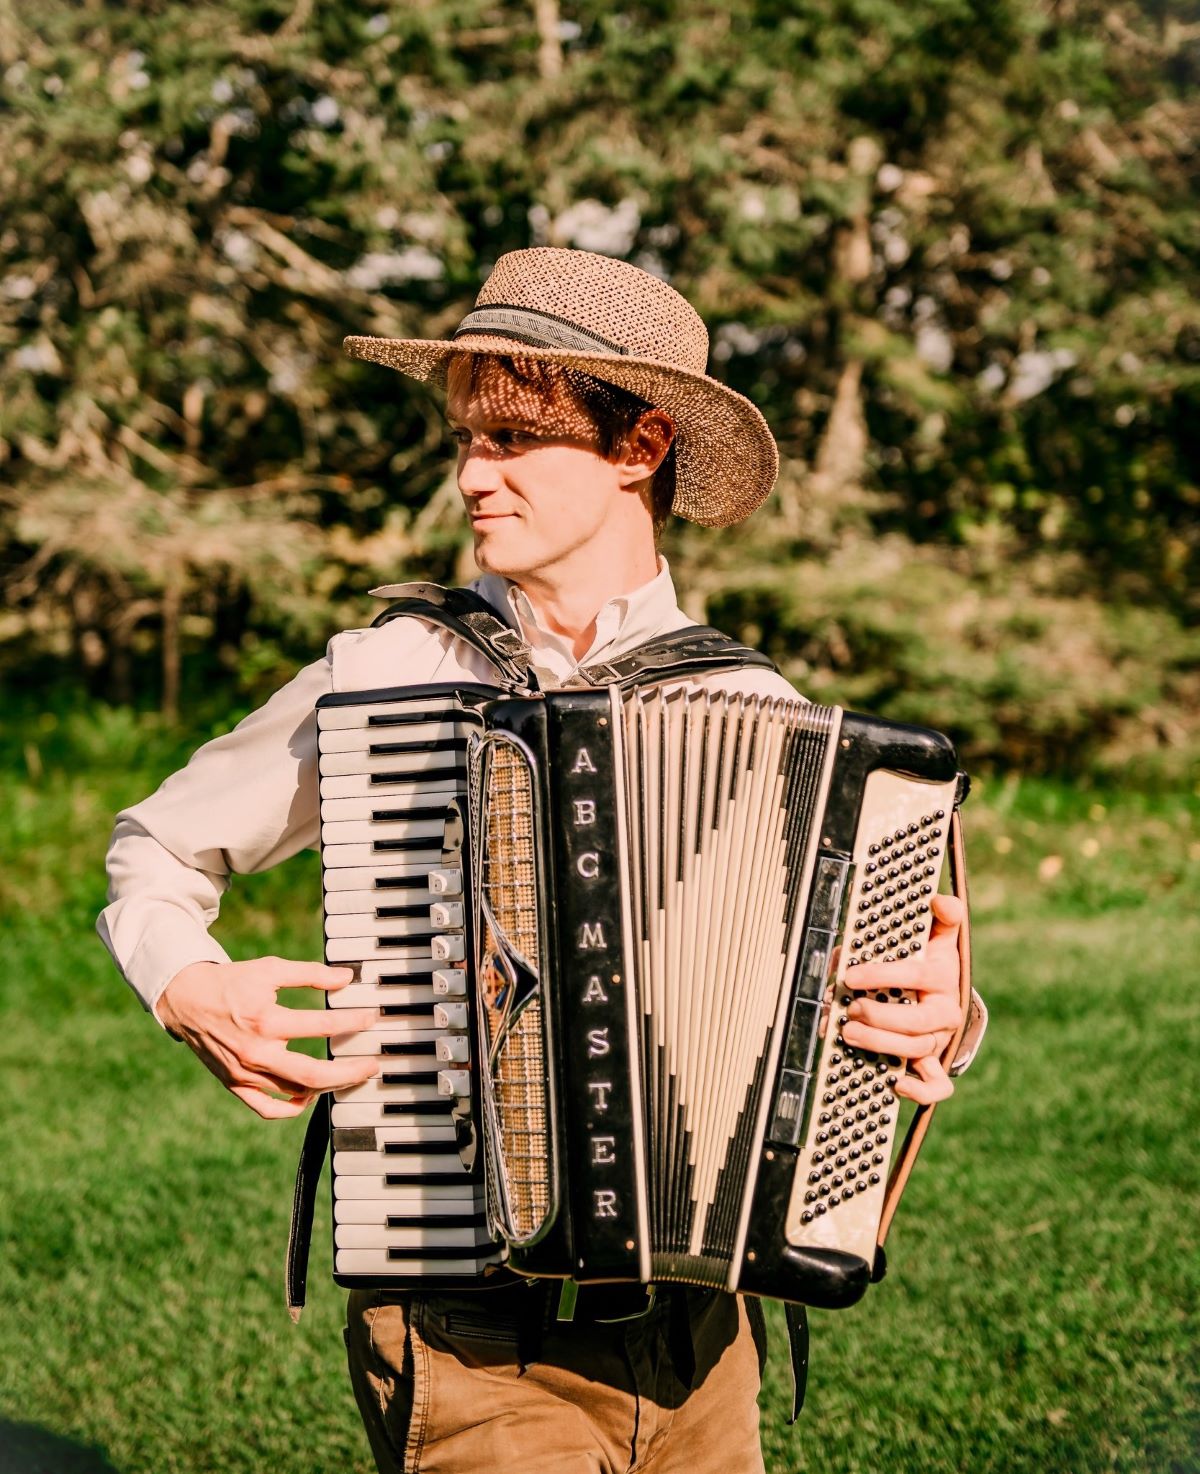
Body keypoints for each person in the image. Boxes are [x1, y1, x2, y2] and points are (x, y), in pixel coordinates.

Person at [98, 247, 965, 1474]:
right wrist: (187, 983)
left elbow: (857, 1005)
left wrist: (941, 1018)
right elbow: (159, 845)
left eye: (510, 439)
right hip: (472, 1341)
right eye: (465, 438)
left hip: (705, 1343)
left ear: (639, 447)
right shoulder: (390, 673)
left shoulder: (755, 704)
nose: (469, 475)